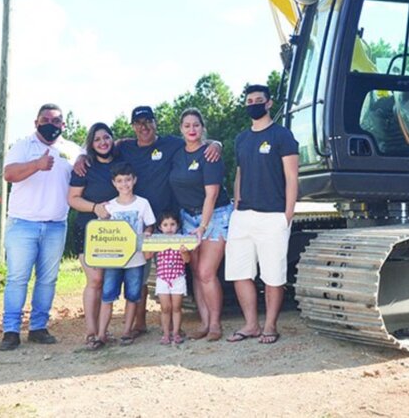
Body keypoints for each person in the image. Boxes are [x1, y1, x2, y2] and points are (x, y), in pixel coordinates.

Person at [79, 105, 221, 334]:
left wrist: (217, 144)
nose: (144, 126)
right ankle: (139, 323)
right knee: (141, 273)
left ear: (156, 123)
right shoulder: (124, 148)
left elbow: (197, 139)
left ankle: (178, 325)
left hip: (169, 222)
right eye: (139, 123)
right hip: (138, 222)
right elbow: (99, 150)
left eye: (148, 121)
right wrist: (81, 157)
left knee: (175, 268)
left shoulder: (171, 143)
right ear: (133, 126)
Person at [0, 103, 81, 351]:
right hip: (23, 224)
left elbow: (87, 168)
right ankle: (11, 331)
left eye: (56, 121)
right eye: (45, 119)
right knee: (17, 279)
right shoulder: (23, 146)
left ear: (63, 125)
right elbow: (9, 174)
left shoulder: (71, 150)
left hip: (56, 225)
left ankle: (38, 327)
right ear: (36, 122)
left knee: (47, 280)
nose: (50, 124)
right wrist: (36, 165)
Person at [225, 84, 299, 345]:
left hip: (273, 216)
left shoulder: (282, 135)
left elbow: (291, 176)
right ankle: (251, 325)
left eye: (259, 99)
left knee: (272, 275)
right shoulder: (241, 139)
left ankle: (270, 325)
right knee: (239, 272)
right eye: (249, 100)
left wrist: (287, 214)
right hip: (243, 215)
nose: (253, 103)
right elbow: (239, 173)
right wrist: (236, 205)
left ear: (268, 104)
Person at [168, 107, 232, 341]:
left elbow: (211, 195)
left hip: (215, 215)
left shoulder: (210, 154)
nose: (192, 129)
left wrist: (203, 227)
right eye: (187, 126)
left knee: (206, 271)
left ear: (202, 128)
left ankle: (215, 324)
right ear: (181, 129)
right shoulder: (176, 153)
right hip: (188, 217)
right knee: (195, 271)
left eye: (196, 125)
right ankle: (204, 322)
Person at [67, 122, 119, 345]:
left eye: (106, 137)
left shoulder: (122, 162)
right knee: (95, 280)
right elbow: (73, 199)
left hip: (115, 232)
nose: (102, 143)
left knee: (108, 282)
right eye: (97, 139)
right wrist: (95, 207)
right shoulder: (83, 167)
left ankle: (103, 331)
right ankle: (90, 330)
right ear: (91, 143)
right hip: (88, 229)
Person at [94, 162, 155, 350]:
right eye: (119, 181)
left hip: (135, 258)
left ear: (134, 180)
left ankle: (127, 330)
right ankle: (101, 333)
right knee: (107, 295)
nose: (124, 184)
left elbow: (150, 225)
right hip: (113, 259)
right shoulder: (109, 207)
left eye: (127, 180)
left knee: (133, 295)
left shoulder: (142, 203)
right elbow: (100, 233)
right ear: (114, 183)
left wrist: (148, 232)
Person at [144, 210, 191, 346]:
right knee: (165, 308)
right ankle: (165, 334)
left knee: (176, 307)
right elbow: (147, 256)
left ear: (177, 225)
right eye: (165, 225)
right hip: (162, 278)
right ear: (160, 227)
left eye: (172, 224)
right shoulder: (157, 242)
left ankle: (176, 333)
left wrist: (184, 252)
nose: (169, 228)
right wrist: (147, 244)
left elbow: (187, 260)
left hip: (178, 277)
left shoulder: (181, 240)